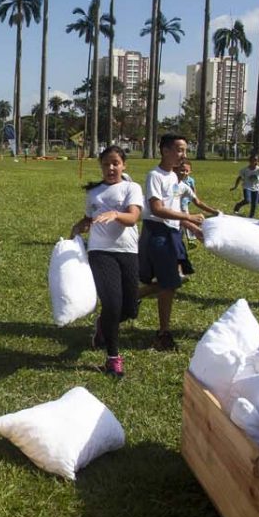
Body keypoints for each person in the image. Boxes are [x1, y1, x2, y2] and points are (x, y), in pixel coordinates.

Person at [71, 145, 144, 379]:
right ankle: (113, 359)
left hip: (128, 251)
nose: (111, 168)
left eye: (115, 163)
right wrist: (78, 226)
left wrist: (116, 214)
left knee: (129, 309)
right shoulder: (94, 193)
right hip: (100, 252)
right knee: (112, 304)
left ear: (124, 165)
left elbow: (133, 217)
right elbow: (90, 217)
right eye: (106, 164)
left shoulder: (132, 188)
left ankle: (103, 325)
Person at [138, 135, 208, 350]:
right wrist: (189, 218)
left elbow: (174, 210)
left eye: (185, 150)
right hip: (158, 234)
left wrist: (191, 228)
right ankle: (163, 333)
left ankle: (132, 299)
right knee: (169, 284)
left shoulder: (175, 178)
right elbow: (157, 209)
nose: (184, 155)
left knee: (171, 283)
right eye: (179, 150)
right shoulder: (155, 176)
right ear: (164, 150)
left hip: (172, 233)